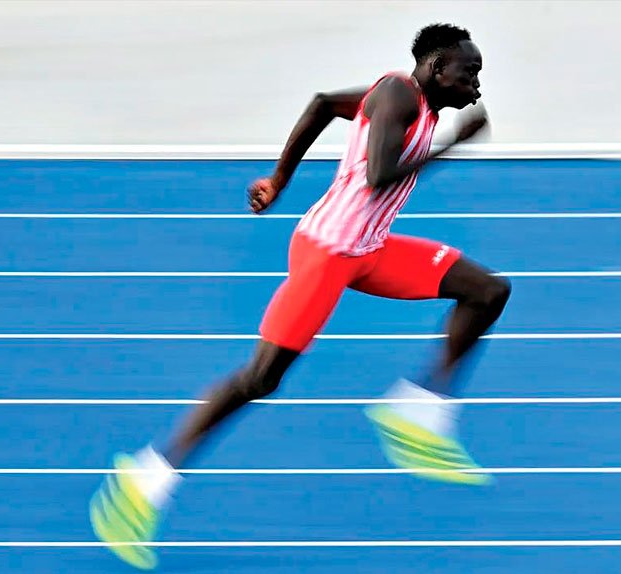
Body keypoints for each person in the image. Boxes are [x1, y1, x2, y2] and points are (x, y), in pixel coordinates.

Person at [89, 23, 511, 570]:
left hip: (370, 250)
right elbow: (380, 175)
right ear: (435, 68)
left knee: (487, 291)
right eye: (469, 73)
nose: (476, 86)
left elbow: (321, 105)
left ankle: (417, 412)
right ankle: (146, 477)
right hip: (327, 254)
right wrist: (453, 144)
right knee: (260, 378)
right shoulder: (396, 95)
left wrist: (278, 179)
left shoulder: (412, 102)